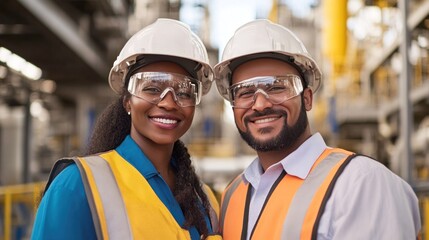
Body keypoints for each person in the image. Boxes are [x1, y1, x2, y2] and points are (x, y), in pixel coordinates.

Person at [214, 19, 421, 240]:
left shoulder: (362, 183)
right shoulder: (232, 195)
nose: (261, 104)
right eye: (245, 92)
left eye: (276, 87)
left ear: (307, 98)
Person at [31, 18, 221, 240]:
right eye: (152, 88)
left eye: (184, 91)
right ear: (127, 101)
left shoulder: (204, 200)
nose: (169, 103)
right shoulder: (76, 187)